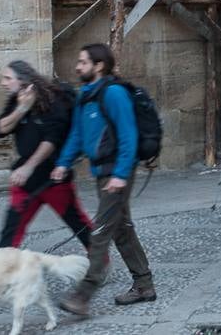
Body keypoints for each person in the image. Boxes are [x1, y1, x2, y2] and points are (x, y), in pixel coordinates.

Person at [53, 44, 155, 318]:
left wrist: (121, 175)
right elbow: (76, 134)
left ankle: (83, 295)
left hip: (116, 173)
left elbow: (128, 136)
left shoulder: (114, 93)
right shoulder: (86, 95)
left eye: (83, 62)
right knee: (121, 229)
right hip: (102, 172)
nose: (77, 66)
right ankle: (144, 284)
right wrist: (63, 163)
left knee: (100, 232)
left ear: (99, 66)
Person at [0, 61, 92, 250]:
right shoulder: (17, 100)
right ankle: (2, 268)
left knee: (77, 222)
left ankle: (100, 261)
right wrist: (22, 108)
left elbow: (51, 140)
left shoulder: (53, 100)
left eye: (7, 78)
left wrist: (28, 168)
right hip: (25, 183)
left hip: (53, 178)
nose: (3, 83)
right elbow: (0, 128)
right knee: (11, 228)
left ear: (23, 80)